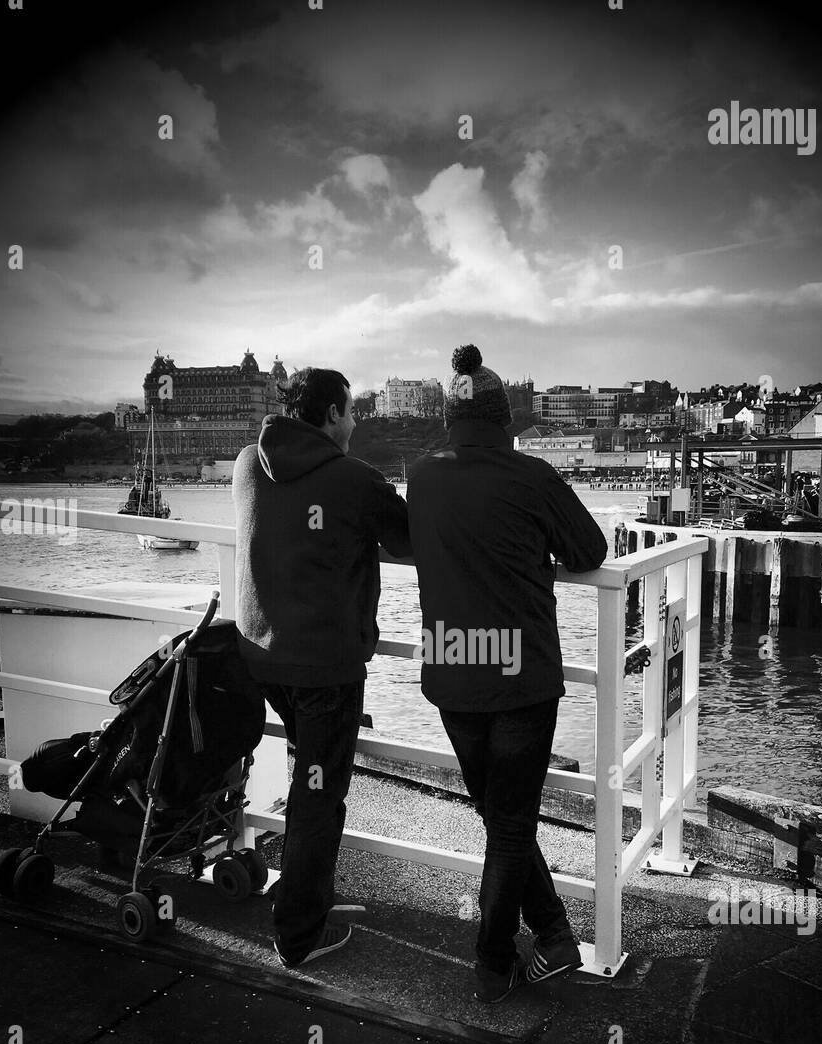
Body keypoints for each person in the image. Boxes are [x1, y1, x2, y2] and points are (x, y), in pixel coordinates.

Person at [406, 344, 608, 1003]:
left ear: (447, 419)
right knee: (511, 822)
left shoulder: (422, 476)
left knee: (500, 816)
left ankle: (552, 933)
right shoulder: (532, 477)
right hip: (520, 677)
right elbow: (589, 550)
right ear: (507, 419)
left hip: (454, 673)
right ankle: (494, 962)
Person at [234, 367, 411, 969]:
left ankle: (299, 897)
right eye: (352, 412)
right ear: (333, 413)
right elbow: (409, 540)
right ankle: (298, 935)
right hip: (324, 669)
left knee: (304, 777)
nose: (356, 423)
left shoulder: (245, 464)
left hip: (261, 658)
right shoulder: (354, 480)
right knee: (317, 796)